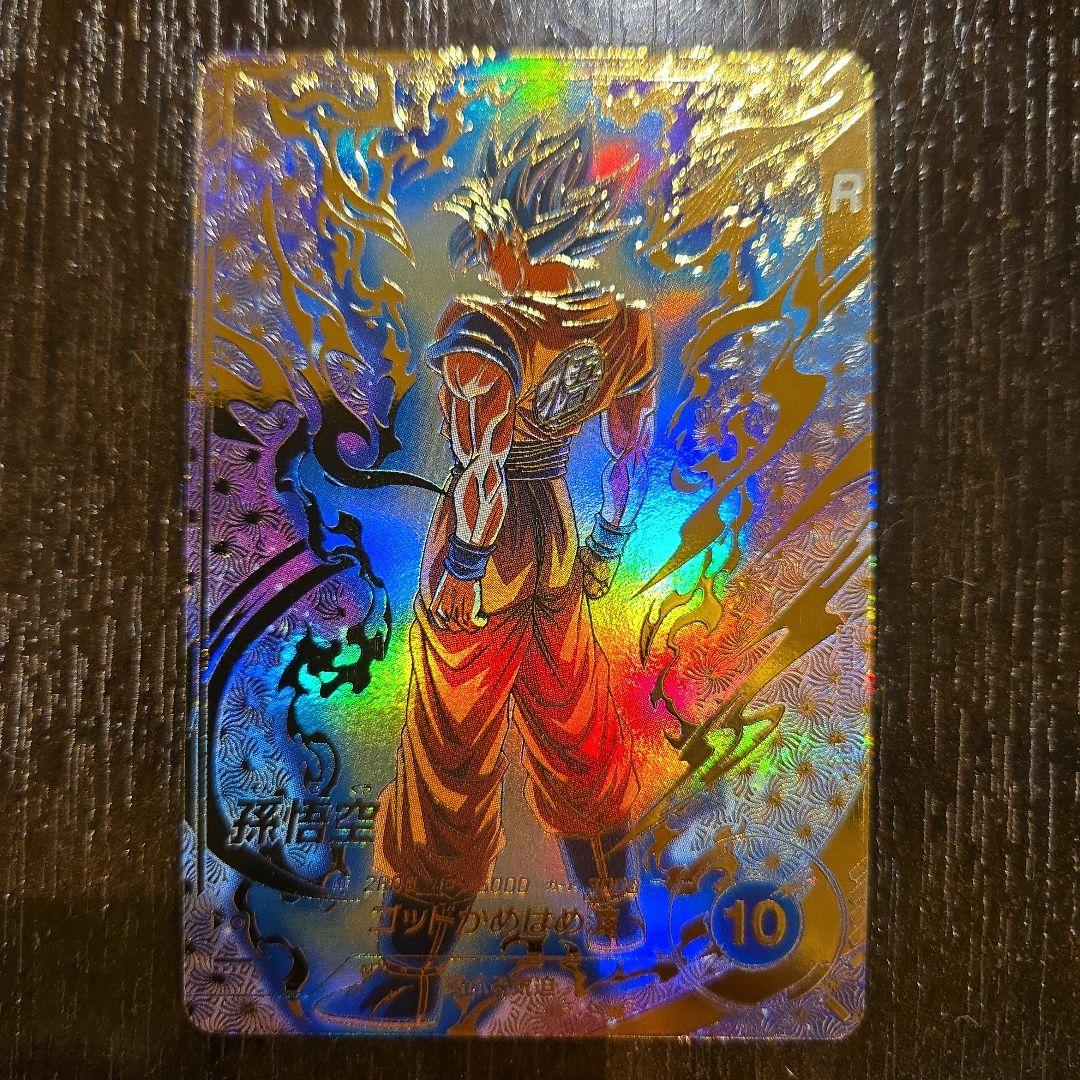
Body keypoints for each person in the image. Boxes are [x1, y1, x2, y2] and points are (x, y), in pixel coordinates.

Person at [316, 117, 658, 1028]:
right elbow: (629, 459)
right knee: (578, 728)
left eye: (488, 229)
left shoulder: (483, 329)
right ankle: (619, 922)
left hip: (487, 551)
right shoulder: (624, 328)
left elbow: (479, 470)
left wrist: (463, 572)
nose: (480, 247)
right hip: (558, 545)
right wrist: (605, 549)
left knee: (446, 759)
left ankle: (408, 978)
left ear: (518, 229)